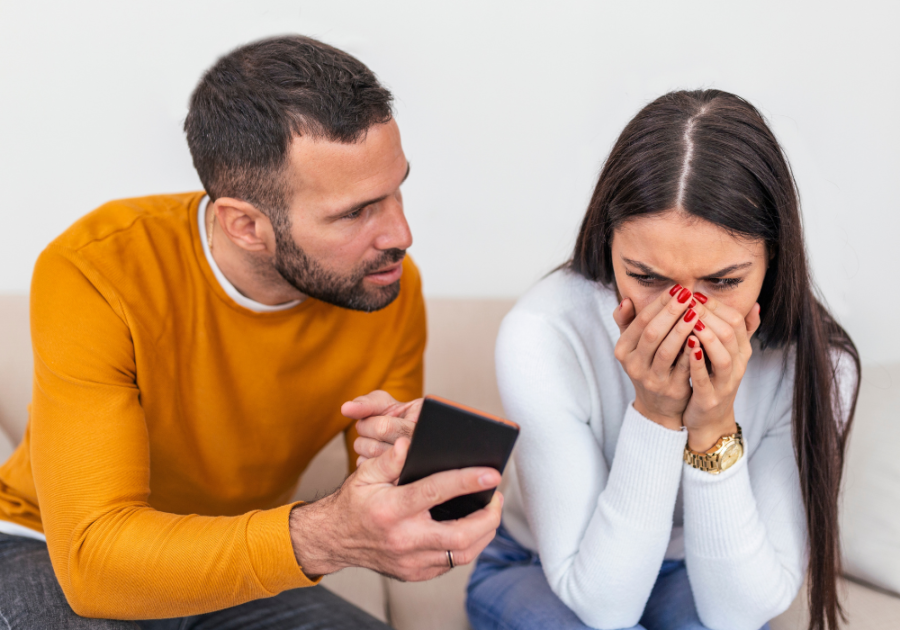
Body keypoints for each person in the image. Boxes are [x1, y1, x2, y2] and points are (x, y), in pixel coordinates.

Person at [0, 35, 502, 628]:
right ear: (244, 225)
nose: (400, 233)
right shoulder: (97, 270)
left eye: (396, 189)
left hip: (231, 556)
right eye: (355, 211)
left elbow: (378, 486)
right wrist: (328, 535)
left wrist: (421, 488)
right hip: (46, 549)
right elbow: (94, 565)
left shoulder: (384, 283)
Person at [354, 90, 859, 630]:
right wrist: (657, 413)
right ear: (608, 243)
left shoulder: (819, 365)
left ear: (773, 262)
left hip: (694, 575)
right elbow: (601, 605)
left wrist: (712, 426)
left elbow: (738, 614)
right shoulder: (544, 332)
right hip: (538, 569)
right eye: (646, 277)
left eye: (723, 282)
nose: (683, 313)